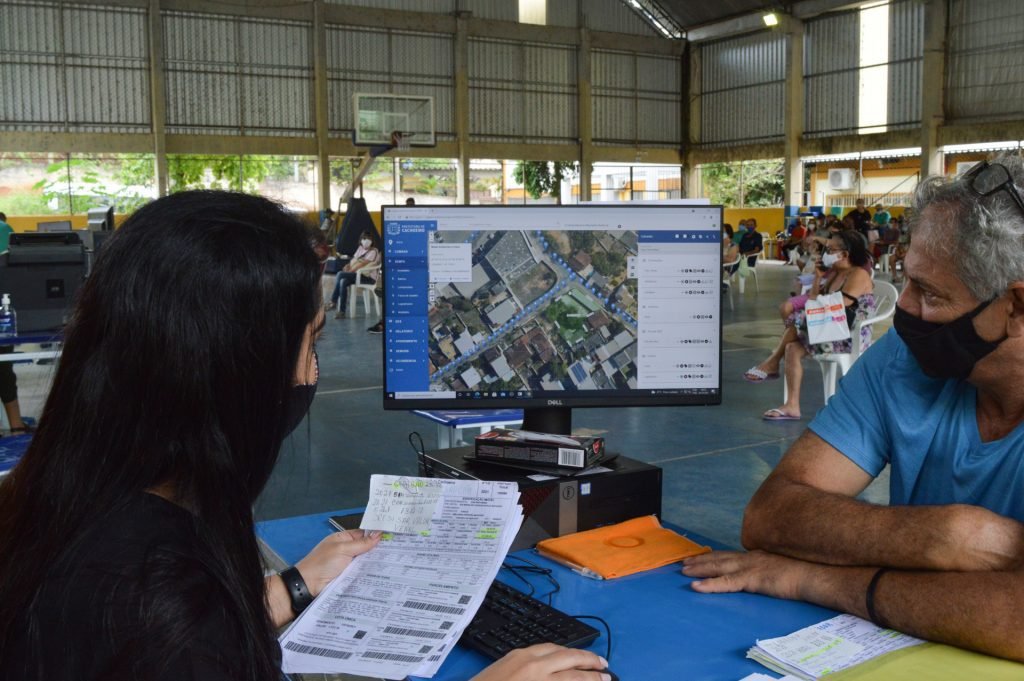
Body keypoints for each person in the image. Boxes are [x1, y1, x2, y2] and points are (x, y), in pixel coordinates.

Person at [0, 190, 611, 681]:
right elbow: (176, 639)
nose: (313, 373)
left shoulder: (57, 500)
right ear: (238, 370)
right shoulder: (156, 597)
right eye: (310, 341)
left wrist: (290, 587)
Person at [682, 156, 1024, 662]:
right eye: (908, 281)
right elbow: (772, 516)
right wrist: (943, 537)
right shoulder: (904, 362)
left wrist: (814, 579)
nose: (903, 307)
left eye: (929, 293)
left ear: (1016, 307)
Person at [743, 229, 875, 420]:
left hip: (849, 335)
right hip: (831, 329)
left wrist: (808, 315)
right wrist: (818, 277)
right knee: (792, 348)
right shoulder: (835, 273)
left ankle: (772, 362)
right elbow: (813, 300)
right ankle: (792, 406)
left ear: (844, 254)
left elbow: (838, 307)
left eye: (830, 250)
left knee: (798, 323)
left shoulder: (858, 274)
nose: (825, 254)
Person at [326, 229, 380, 319]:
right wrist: (347, 265)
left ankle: (333, 301)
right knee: (343, 281)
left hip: (367, 277)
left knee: (340, 274)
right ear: (361, 240)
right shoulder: (360, 248)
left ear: (372, 241)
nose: (366, 241)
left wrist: (349, 271)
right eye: (364, 238)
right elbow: (353, 260)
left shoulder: (373, 251)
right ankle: (342, 312)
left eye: (369, 239)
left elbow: (361, 264)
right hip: (357, 275)